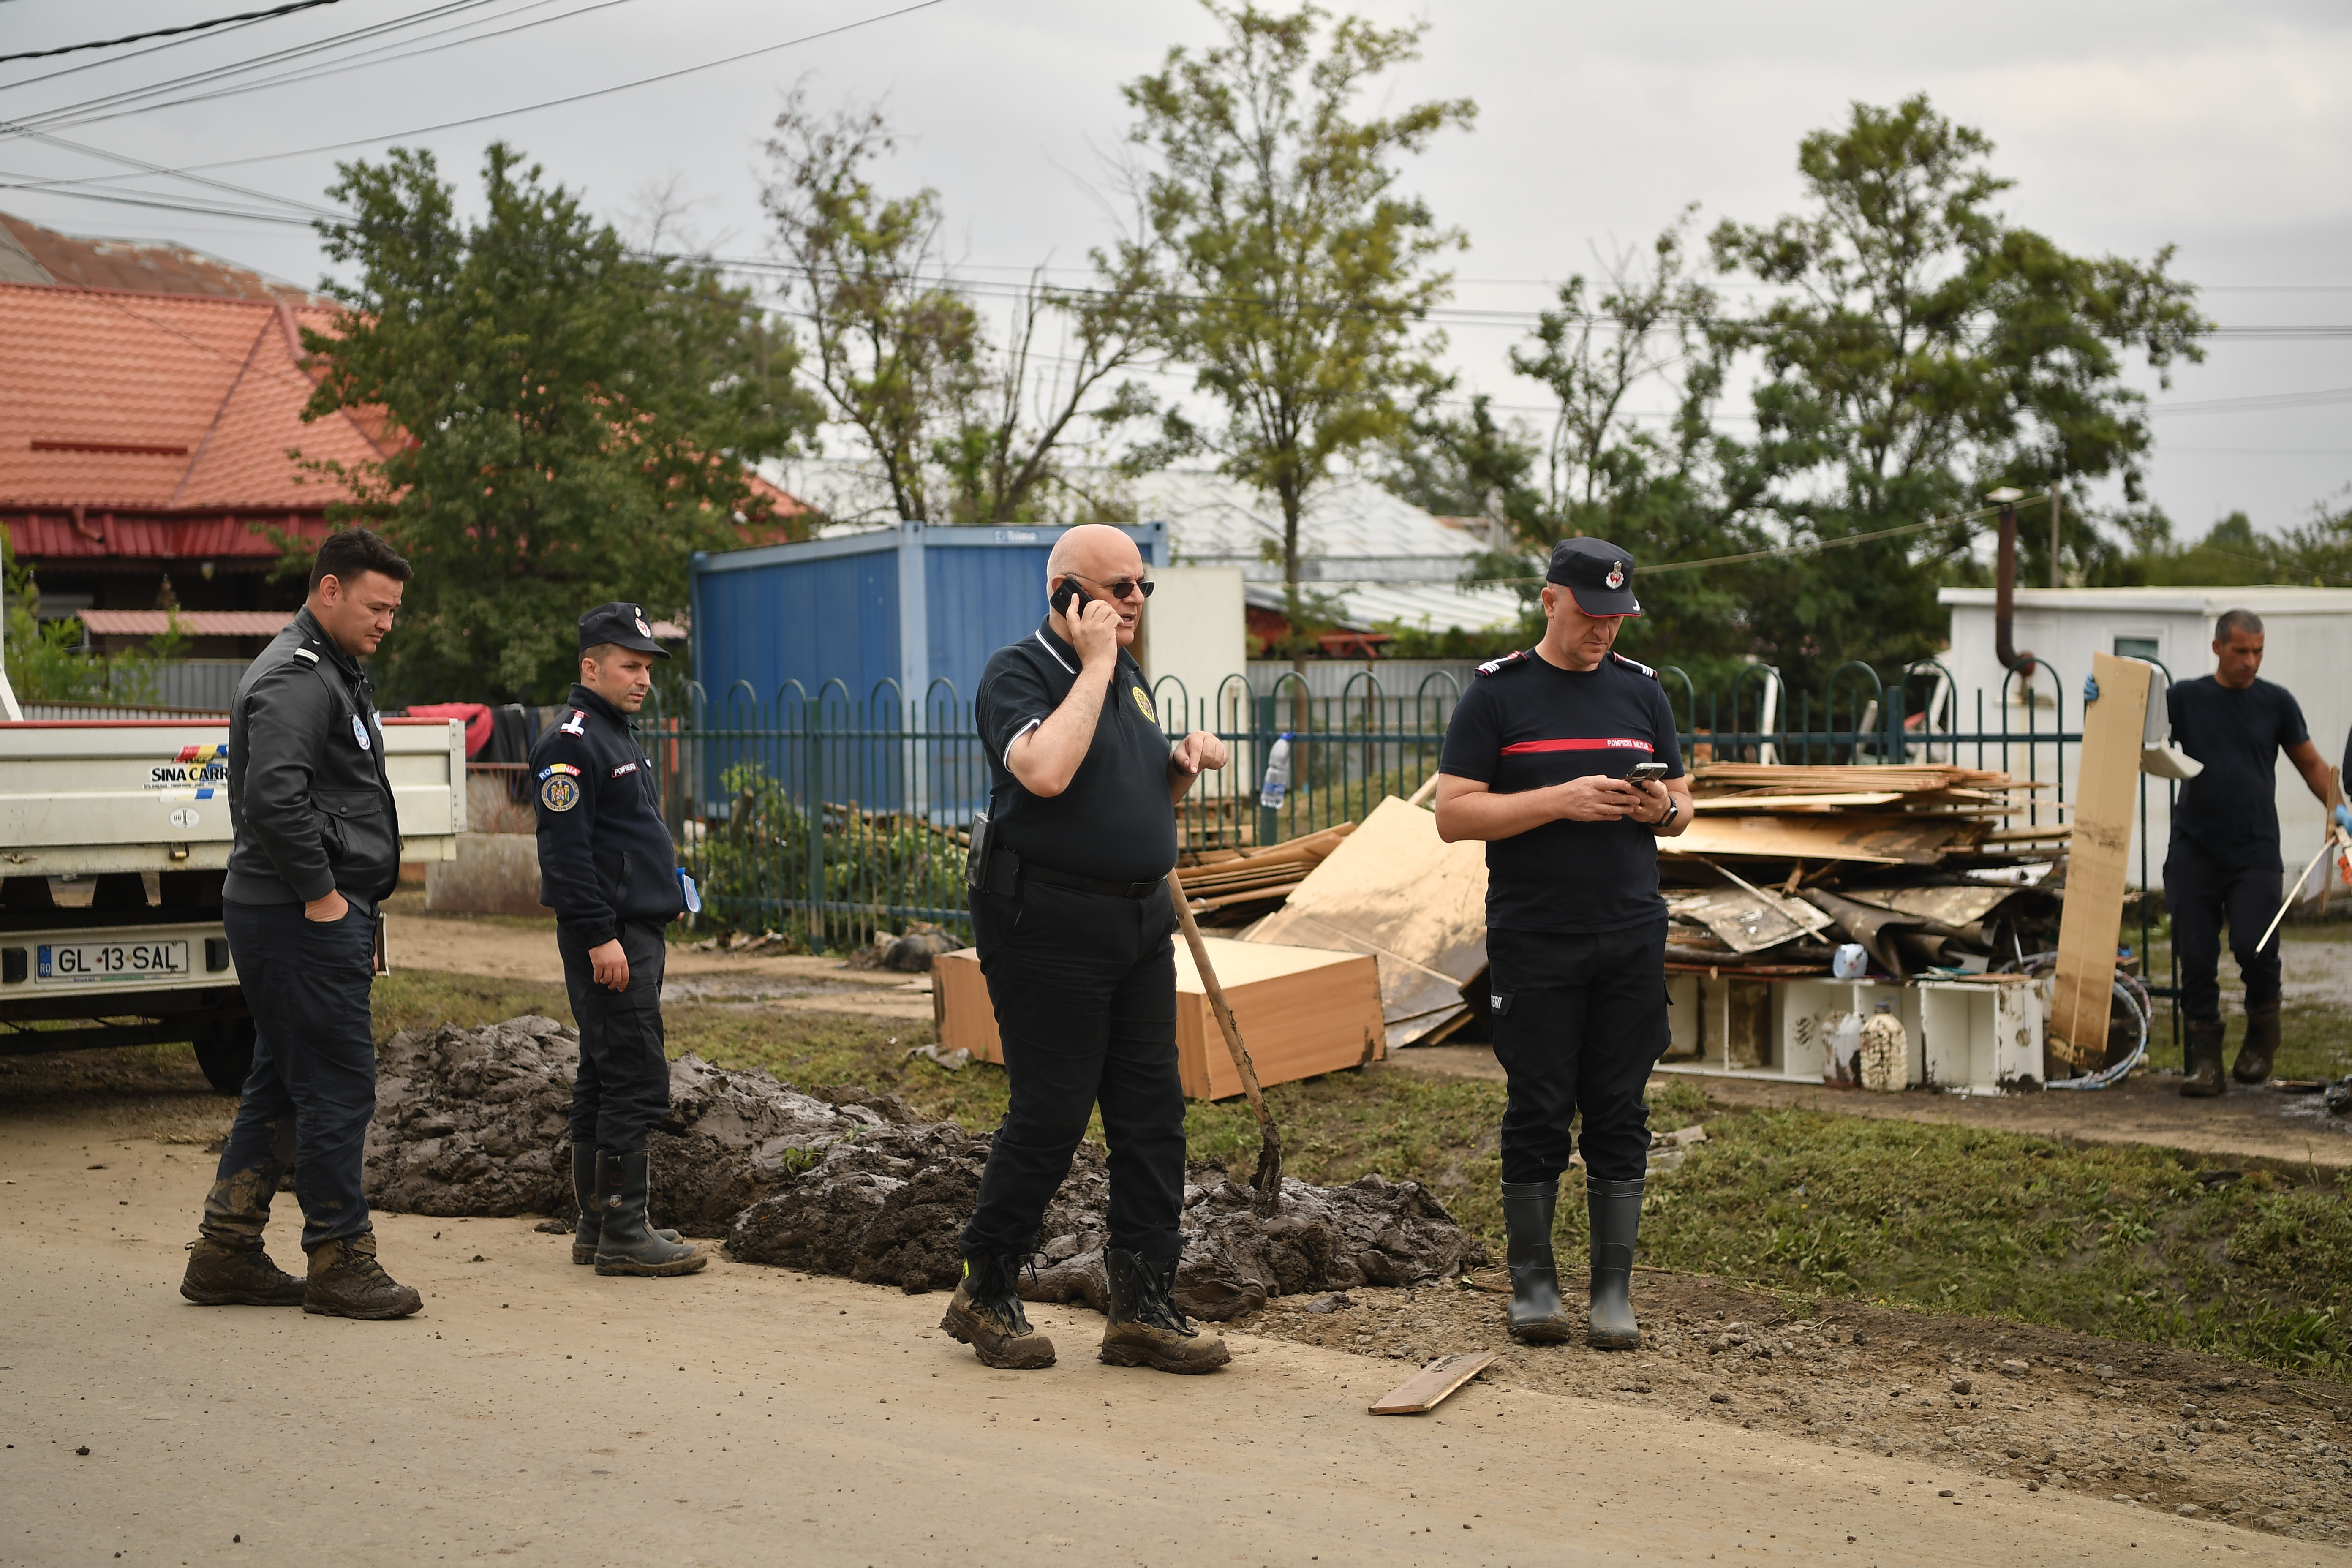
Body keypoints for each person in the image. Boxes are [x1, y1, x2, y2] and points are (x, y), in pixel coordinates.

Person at [939, 524, 1232, 1375]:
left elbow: (1126, 795)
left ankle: (1141, 1306)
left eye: (1142, 586)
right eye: (1117, 588)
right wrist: (1096, 663)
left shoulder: (1126, 677)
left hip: (1136, 923)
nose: (1135, 600)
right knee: (1052, 1111)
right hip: (1047, 922)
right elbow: (1044, 772)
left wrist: (1178, 767)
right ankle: (985, 1287)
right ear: (1065, 594)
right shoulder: (1019, 672)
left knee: (1152, 1118)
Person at [1432, 537, 1691, 1350]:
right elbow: (1453, 814)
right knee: (1539, 1105)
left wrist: (1659, 810)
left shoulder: (1642, 691)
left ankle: (1611, 1292)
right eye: (1589, 614)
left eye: (1616, 618)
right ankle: (1534, 1284)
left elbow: (1683, 805)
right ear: (1549, 601)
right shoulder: (1496, 694)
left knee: (1620, 1108)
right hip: (1535, 936)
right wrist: (1558, 800)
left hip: (1628, 933)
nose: (1603, 631)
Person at [179, 527, 422, 1320]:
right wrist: (323, 895)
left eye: (394, 609)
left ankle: (226, 1252)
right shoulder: (297, 674)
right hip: (297, 915)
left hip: (298, 913)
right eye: (376, 606)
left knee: (283, 1082)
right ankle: (340, 1258)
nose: (387, 621)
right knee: (339, 1085)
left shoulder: (332, 670)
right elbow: (273, 799)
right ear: (329, 590)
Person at [530, 605, 706, 1277]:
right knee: (633, 1076)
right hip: (612, 939)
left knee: (604, 1073)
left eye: (647, 668)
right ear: (591, 667)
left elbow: (626, 835)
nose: (643, 679)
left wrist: (666, 886)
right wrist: (601, 936)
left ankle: (599, 1225)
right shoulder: (572, 742)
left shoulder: (613, 732)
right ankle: (625, 1234)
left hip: (633, 929)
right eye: (630, 666)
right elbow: (567, 857)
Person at [2164, 608, 2338, 1096]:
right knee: (2196, 953)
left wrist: (2341, 809)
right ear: (2218, 647)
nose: (2251, 661)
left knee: (2254, 945)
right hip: (2195, 846)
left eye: (2258, 651)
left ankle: (2264, 1031)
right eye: (2241, 651)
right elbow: (2137, 735)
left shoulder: (2276, 702)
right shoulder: (2185, 698)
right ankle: (2205, 1062)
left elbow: (2312, 765)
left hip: (2255, 848)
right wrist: (2100, 703)